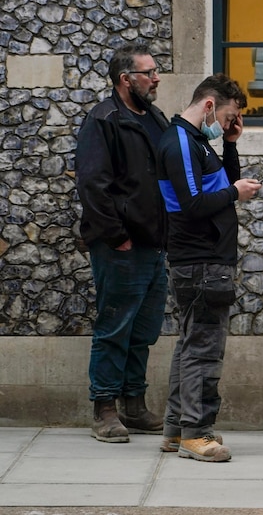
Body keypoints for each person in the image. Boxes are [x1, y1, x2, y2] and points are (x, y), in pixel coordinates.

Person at [157, 74, 262, 462]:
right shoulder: (181, 141)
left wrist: (231, 144)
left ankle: (175, 429)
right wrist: (236, 192)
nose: (229, 122)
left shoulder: (198, 141)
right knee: (203, 349)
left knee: (190, 345)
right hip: (199, 261)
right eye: (229, 115)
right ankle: (196, 434)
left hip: (205, 260)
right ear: (208, 106)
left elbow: (223, 184)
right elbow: (194, 204)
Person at [76, 43, 169, 443]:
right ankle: (105, 408)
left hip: (154, 242)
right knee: (115, 326)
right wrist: (117, 235)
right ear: (125, 79)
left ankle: (134, 404)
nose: (156, 78)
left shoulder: (155, 117)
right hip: (121, 245)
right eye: (148, 72)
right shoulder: (103, 119)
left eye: (155, 71)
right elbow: (93, 184)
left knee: (144, 330)